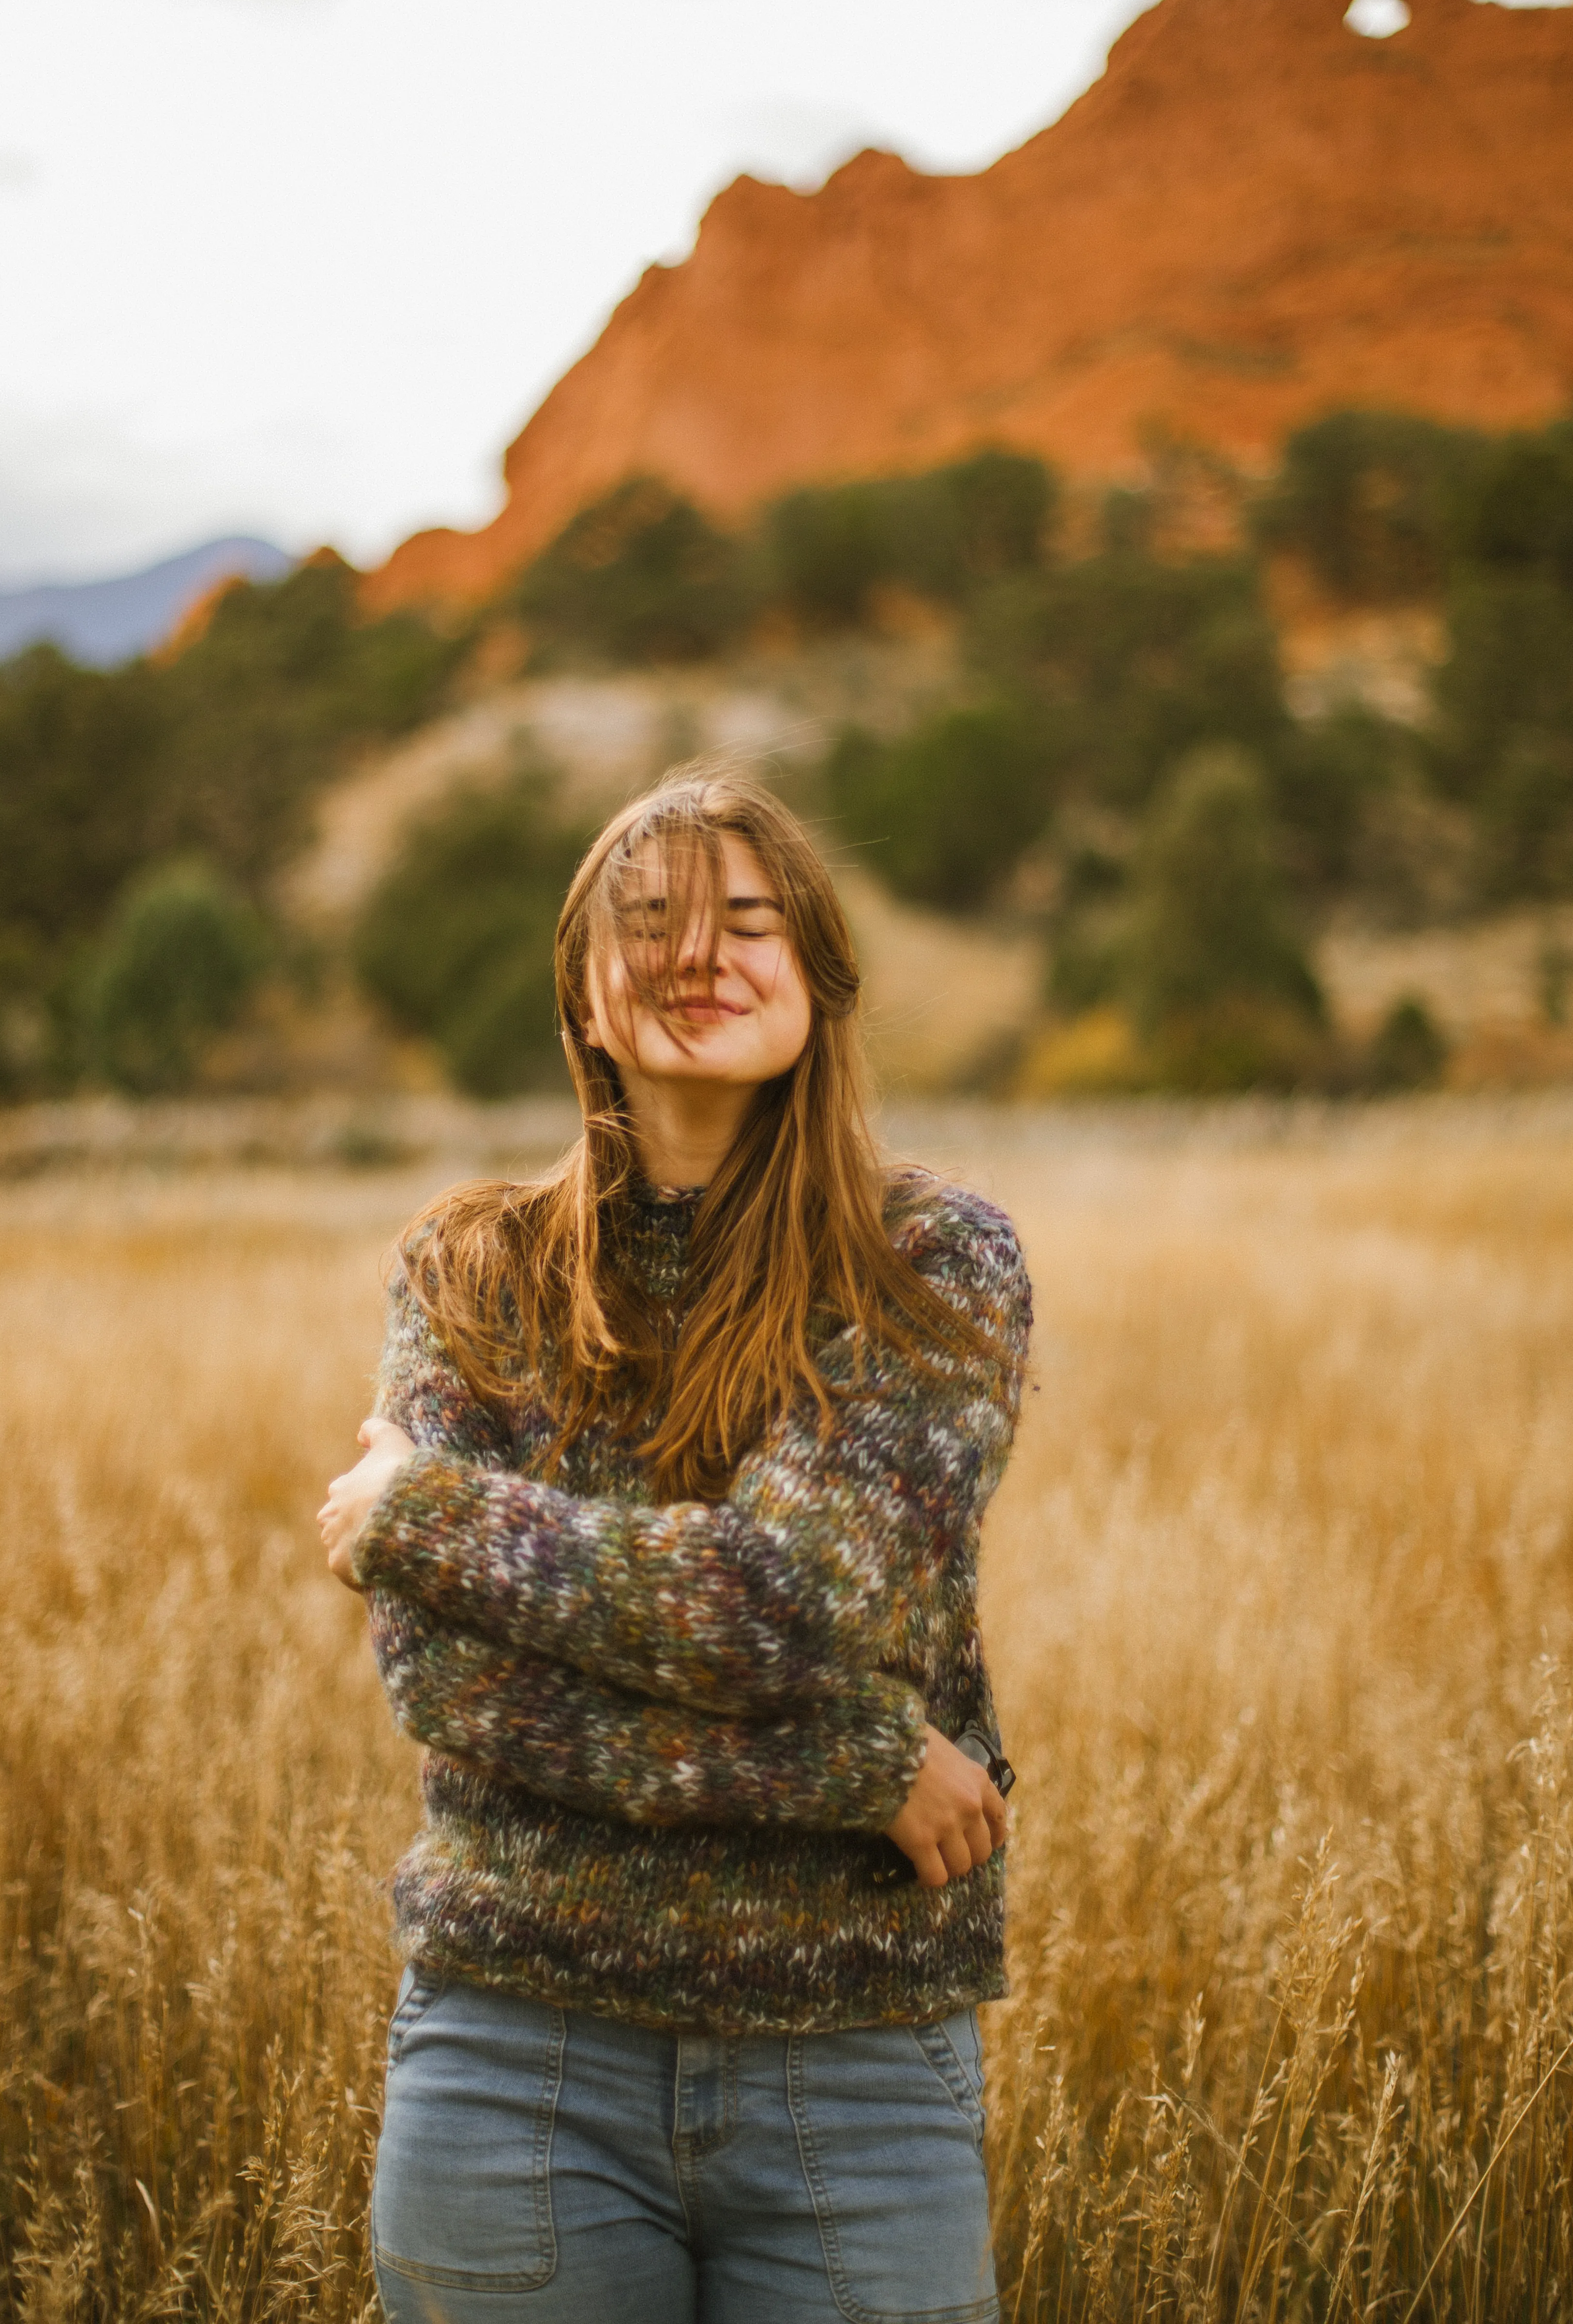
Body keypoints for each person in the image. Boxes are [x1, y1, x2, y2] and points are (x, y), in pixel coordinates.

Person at [317, 764, 1032, 2324]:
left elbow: (792, 1601)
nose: (701, 955)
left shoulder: (933, 1265)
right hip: (514, 2058)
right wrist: (859, 1767)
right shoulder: (470, 1270)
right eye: (651, 924)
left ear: (822, 976)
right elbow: (451, 1682)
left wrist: (424, 1514)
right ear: (582, 988)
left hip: (855, 2065)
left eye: (751, 924)